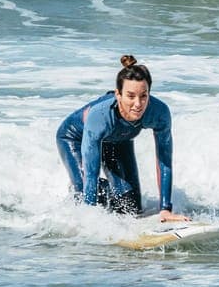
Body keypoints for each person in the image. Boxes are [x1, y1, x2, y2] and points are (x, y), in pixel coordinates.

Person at [56, 55, 190, 223]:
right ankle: (78, 192)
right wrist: (89, 218)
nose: (138, 104)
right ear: (118, 94)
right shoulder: (100, 115)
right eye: (131, 96)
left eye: (143, 96)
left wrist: (165, 209)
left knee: (131, 208)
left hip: (118, 139)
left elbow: (164, 161)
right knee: (87, 192)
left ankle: (108, 201)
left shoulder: (159, 113)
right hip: (75, 137)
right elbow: (91, 172)